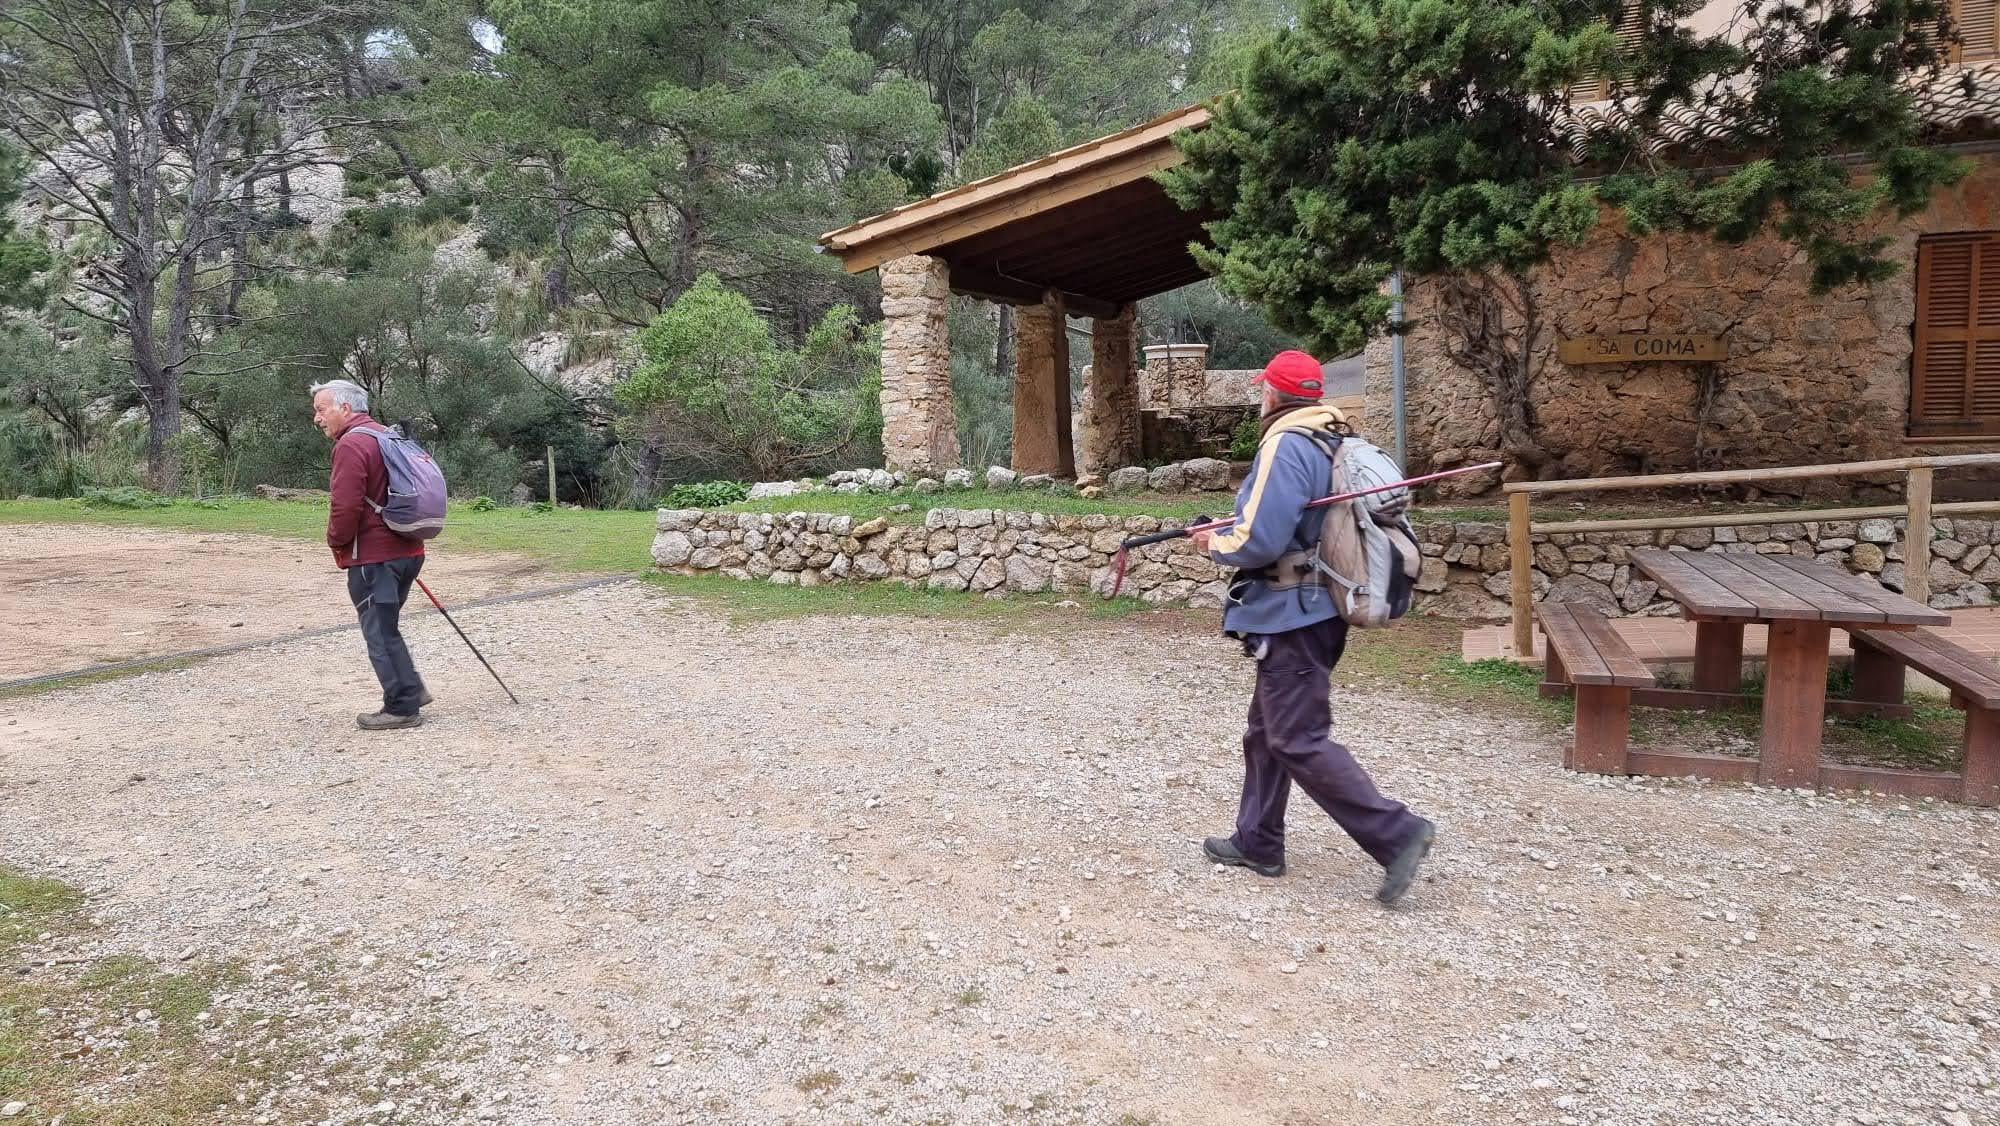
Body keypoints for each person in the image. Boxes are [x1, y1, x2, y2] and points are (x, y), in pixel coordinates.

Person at [1190, 349, 1436, 906]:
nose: (1261, 398)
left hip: (1293, 612)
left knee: (1295, 736)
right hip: (1317, 606)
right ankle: (1258, 840)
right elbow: (1297, 519)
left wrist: (1213, 543)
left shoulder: (1284, 443)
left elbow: (1260, 540)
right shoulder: (1331, 438)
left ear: (1272, 395)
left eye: (1262, 390)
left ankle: (1397, 833)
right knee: (1266, 732)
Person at [310, 379, 431, 731]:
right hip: (409, 550)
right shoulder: (386, 435)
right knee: (386, 626)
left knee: (379, 631)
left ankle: (401, 707)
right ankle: (411, 688)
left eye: (321, 410)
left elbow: (344, 506)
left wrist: (335, 541)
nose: (317, 419)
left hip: (374, 558)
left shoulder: (351, 444)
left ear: (345, 409)